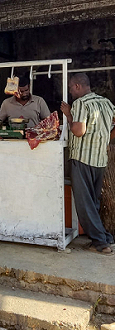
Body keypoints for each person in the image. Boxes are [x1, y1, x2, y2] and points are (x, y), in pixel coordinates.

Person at [60, 73, 115, 255]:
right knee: (93, 202)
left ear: (77, 86)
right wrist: (106, 139)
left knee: (84, 205)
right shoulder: (106, 103)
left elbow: (78, 131)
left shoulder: (81, 104)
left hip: (82, 159)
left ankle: (101, 243)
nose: (69, 91)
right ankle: (105, 238)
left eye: (70, 87)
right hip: (99, 160)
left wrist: (68, 115)